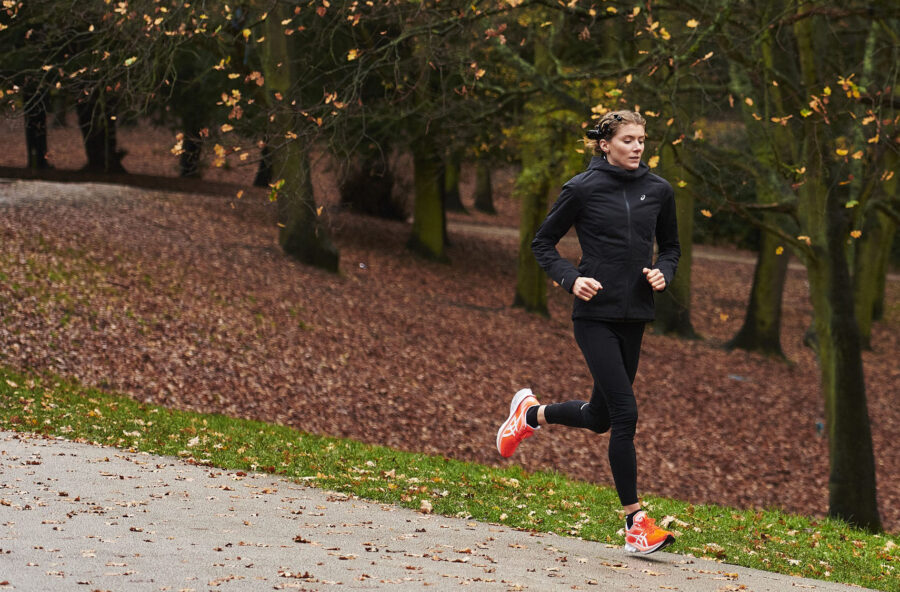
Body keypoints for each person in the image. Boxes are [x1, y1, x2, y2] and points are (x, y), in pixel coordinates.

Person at [496, 110, 680, 555]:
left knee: (600, 418)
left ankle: (530, 415)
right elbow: (542, 242)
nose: (638, 148)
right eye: (628, 140)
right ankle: (636, 523)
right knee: (625, 414)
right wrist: (569, 279)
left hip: (635, 315)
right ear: (605, 144)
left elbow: (671, 247)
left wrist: (663, 273)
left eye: (642, 140)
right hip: (594, 316)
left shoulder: (658, 190)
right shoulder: (582, 188)